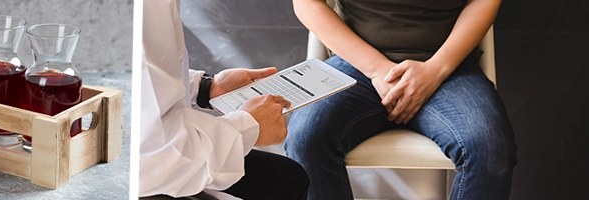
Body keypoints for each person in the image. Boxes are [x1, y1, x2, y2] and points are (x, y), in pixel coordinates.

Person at [284, 0, 517, 199]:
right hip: (356, 64)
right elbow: (307, 3)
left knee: (490, 147)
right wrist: (377, 69)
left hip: (447, 66)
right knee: (306, 137)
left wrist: (435, 71)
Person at [140, 0, 309, 199]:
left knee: (287, 178)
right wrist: (249, 125)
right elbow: (164, 160)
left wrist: (206, 87)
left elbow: (151, 78)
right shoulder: (147, 10)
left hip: (161, 155)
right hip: (150, 176)